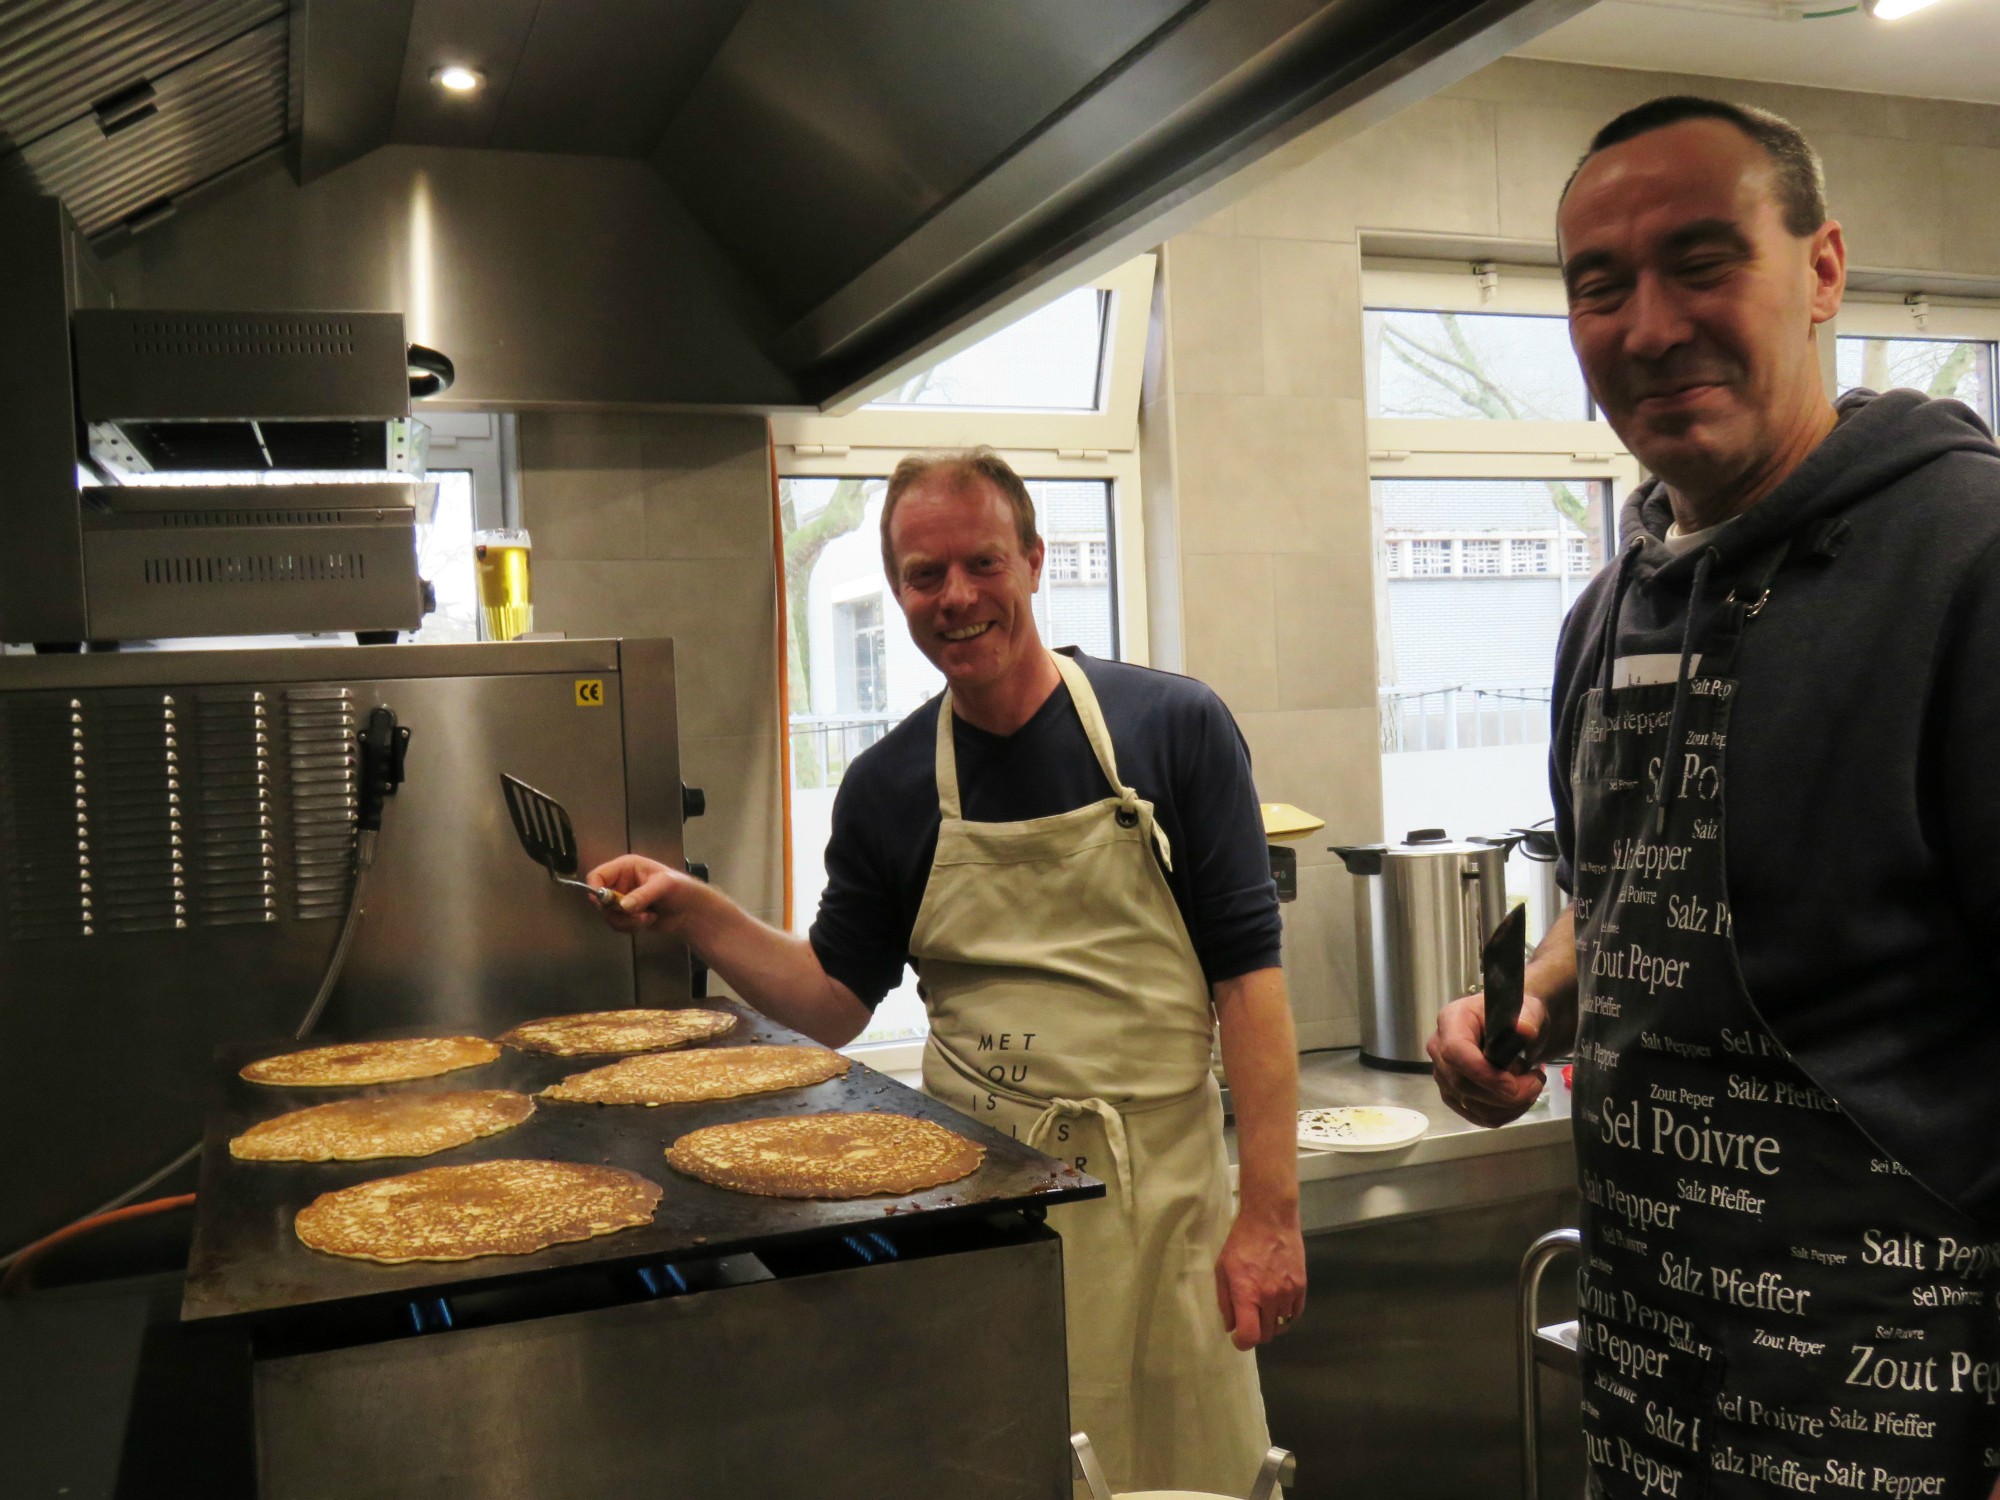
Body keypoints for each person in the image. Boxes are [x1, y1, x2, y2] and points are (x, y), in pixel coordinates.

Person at [1428, 97, 2000, 1498]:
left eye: (1701, 260)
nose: (1649, 323)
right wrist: (1540, 1000)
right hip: (1657, 1380)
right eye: (1599, 285)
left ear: (1822, 270)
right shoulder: (1609, 610)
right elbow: (1628, 898)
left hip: (1903, 1403)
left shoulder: (1964, 564)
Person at [591, 448, 1305, 1494]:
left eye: (981, 564)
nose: (955, 598)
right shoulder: (887, 788)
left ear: (1032, 561)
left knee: (1189, 1475)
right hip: (981, 1205)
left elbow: (1249, 985)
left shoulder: (1171, 729)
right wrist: (697, 911)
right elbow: (831, 1003)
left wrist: (1270, 1216)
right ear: (897, 592)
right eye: (924, 576)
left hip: (1165, 1205)